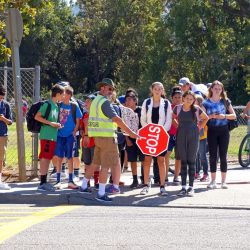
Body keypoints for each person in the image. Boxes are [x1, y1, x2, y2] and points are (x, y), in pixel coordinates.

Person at [80, 78, 139, 202]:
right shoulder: (105, 103)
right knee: (106, 166)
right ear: (103, 88)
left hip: (98, 137)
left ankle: (84, 185)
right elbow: (116, 119)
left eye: (112, 89)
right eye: (109, 89)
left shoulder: (95, 100)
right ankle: (101, 193)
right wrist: (131, 133)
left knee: (96, 162)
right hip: (107, 137)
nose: (111, 91)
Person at [203, 80, 236, 189]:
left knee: (223, 156)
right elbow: (201, 118)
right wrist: (211, 116)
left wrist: (224, 116)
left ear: (222, 90)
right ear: (211, 89)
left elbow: (234, 116)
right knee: (212, 156)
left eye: (219, 89)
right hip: (212, 130)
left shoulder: (225, 101)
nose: (217, 90)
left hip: (224, 130)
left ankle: (223, 182)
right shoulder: (206, 103)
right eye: (215, 88)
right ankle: (213, 181)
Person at [140, 82, 172, 196]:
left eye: (160, 89)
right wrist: (148, 130)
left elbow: (169, 120)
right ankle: (145, 185)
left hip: (161, 136)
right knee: (147, 160)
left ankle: (162, 186)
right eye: (156, 89)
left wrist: (161, 131)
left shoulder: (167, 103)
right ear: (152, 90)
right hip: (148, 135)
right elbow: (143, 119)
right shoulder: (146, 102)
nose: (158, 91)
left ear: (162, 90)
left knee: (161, 160)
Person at [174, 91, 208, 197]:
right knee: (183, 161)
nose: (188, 100)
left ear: (193, 100)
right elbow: (172, 118)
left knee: (191, 161)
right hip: (181, 135)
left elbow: (206, 118)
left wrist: (199, 127)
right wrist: (177, 126)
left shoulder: (197, 109)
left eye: (191, 99)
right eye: (187, 98)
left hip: (193, 135)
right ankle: (183, 187)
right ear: (183, 98)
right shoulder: (177, 108)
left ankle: (191, 187)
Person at [35, 84, 65, 191]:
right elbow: (37, 117)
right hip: (46, 136)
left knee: (47, 158)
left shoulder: (56, 106)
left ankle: (44, 181)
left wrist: (57, 125)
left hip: (52, 136)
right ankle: (42, 183)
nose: (63, 97)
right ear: (57, 94)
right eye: (62, 94)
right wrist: (51, 123)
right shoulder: (47, 104)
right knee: (45, 158)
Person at [54, 85, 82, 189]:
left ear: (69, 95)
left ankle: (70, 180)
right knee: (59, 157)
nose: (62, 95)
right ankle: (58, 180)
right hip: (59, 135)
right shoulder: (58, 105)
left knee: (70, 157)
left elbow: (78, 120)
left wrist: (74, 131)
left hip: (70, 135)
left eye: (64, 93)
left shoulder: (74, 106)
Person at [80, 94, 99, 189]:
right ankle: (87, 182)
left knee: (95, 162)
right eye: (86, 101)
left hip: (94, 142)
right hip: (85, 142)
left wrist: (88, 134)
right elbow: (81, 128)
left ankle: (96, 182)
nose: (85, 103)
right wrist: (82, 132)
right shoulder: (85, 115)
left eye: (88, 101)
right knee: (87, 162)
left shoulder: (96, 115)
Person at [165, 86, 182, 184]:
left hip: (180, 135)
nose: (177, 99)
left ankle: (176, 176)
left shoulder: (184, 107)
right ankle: (166, 176)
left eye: (179, 97)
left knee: (178, 157)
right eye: (175, 97)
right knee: (166, 155)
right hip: (169, 135)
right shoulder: (169, 108)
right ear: (172, 98)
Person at [0, 85, 13, 190]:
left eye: (2, 97)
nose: (1, 99)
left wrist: (4, 119)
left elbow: (10, 122)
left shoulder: (6, 105)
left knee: (0, 158)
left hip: (2, 135)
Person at [195, 95, 209, 182]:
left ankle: (206, 173)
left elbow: (205, 120)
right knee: (196, 156)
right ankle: (196, 172)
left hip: (202, 136)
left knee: (202, 155)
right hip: (193, 136)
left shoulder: (201, 110)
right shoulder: (192, 110)